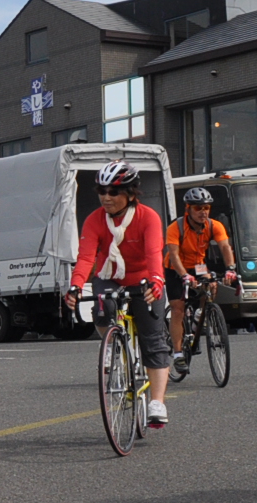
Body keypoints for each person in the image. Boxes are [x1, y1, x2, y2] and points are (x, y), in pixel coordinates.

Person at [64, 161, 174, 426]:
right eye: (102, 190)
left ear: (131, 193)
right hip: (109, 277)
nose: (106, 197)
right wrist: (76, 286)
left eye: (114, 191)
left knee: (153, 340)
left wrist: (156, 282)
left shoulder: (148, 217)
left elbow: (153, 255)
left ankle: (157, 402)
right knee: (103, 311)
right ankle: (113, 345)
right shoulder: (94, 220)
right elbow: (86, 257)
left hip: (144, 278)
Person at [164, 186, 237, 360]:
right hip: (175, 268)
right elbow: (173, 255)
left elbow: (225, 247)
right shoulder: (176, 227)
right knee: (178, 309)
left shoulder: (214, 225)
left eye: (206, 208)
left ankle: (200, 314)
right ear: (188, 209)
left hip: (198, 266)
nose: (203, 212)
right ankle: (178, 353)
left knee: (210, 285)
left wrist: (231, 269)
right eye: (198, 208)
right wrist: (184, 276)